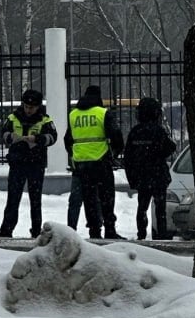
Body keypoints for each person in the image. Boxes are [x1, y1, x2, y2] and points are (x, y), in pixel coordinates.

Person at [0, 89, 58, 238]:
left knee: (35, 200)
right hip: (17, 163)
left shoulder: (45, 120)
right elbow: (3, 133)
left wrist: (37, 139)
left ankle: (36, 231)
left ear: (38, 106)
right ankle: (6, 230)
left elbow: (53, 137)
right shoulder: (13, 117)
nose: (29, 110)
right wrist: (11, 137)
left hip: (36, 163)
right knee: (13, 198)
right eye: (26, 106)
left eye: (32, 107)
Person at [64, 84, 125, 239]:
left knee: (89, 199)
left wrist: (76, 155)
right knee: (107, 197)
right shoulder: (102, 113)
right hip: (101, 161)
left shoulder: (73, 114)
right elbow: (116, 136)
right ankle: (109, 229)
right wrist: (115, 154)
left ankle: (94, 230)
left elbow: (67, 140)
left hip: (82, 165)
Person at [123, 97, 177, 240]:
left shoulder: (135, 132)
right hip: (158, 175)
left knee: (142, 207)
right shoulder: (158, 131)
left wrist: (132, 177)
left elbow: (128, 157)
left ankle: (141, 234)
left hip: (142, 176)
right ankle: (162, 235)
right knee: (160, 209)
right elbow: (170, 147)